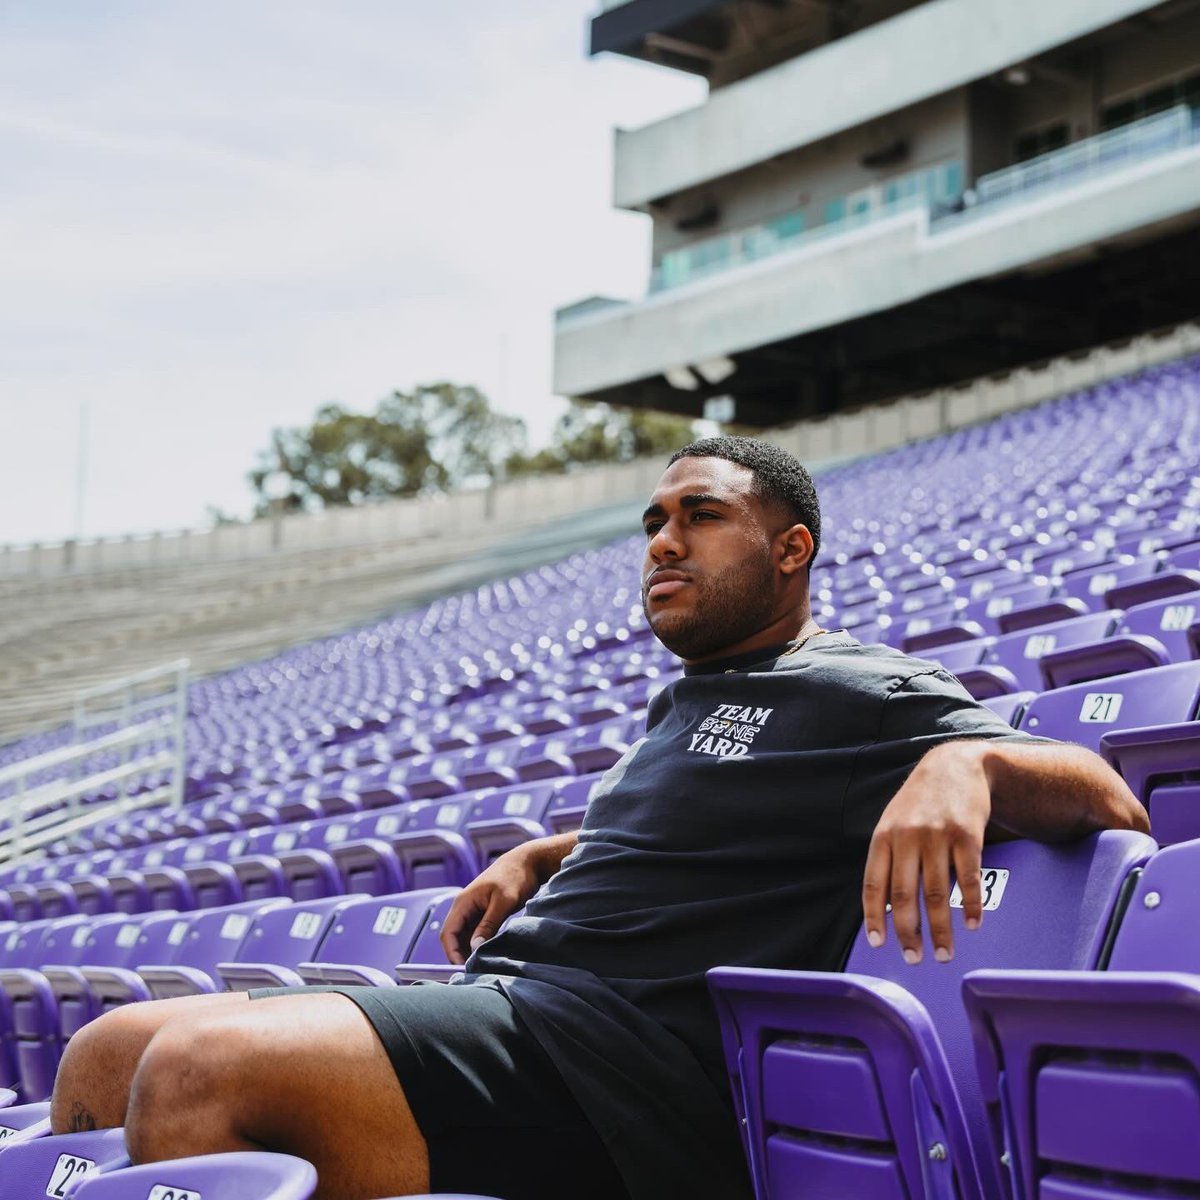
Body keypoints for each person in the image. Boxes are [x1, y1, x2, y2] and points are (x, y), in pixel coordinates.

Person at [49, 437, 1148, 1200]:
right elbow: (740, 815)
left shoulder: (858, 689)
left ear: (790, 551)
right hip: (522, 1010)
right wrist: (561, 848)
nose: (664, 542)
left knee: (198, 1068)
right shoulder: (689, 702)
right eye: (655, 522)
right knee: (104, 1054)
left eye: (702, 517)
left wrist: (968, 759)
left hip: (623, 1073)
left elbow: (1105, 795)